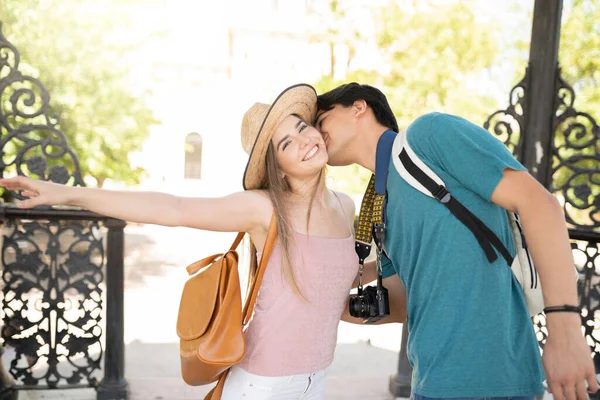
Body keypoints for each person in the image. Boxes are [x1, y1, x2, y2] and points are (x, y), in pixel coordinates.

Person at [0, 83, 405, 400]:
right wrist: (66, 193)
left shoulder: (345, 205)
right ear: (278, 169)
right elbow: (173, 208)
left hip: (316, 380)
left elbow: (336, 278)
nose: (304, 141)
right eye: (286, 144)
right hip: (261, 383)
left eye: (302, 128)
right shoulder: (263, 208)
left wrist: (406, 268)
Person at [314, 82, 597, 400]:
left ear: (358, 107)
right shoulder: (378, 202)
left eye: (321, 118)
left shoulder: (428, 135)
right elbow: (403, 300)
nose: (314, 132)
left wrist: (565, 331)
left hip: (490, 380)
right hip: (431, 381)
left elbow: (539, 204)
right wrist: (324, 307)